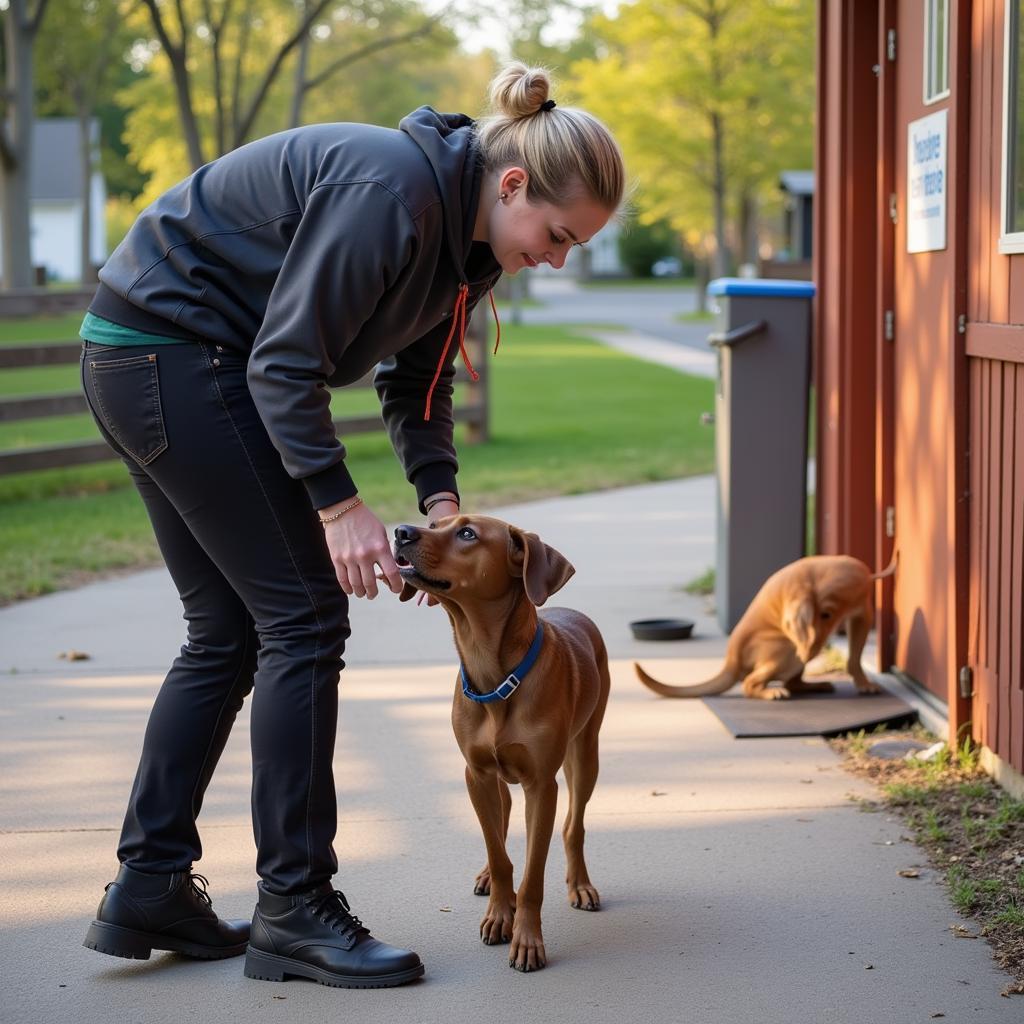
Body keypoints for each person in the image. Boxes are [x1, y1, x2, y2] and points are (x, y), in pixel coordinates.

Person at [79, 61, 624, 989]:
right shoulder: (393, 192)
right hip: (175, 353)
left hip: (146, 360)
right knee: (304, 618)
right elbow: (283, 362)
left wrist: (441, 504)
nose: (558, 257)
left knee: (225, 633)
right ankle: (295, 906)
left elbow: (417, 384)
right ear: (513, 184)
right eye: (558, 234)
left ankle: (150, 885)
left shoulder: (463, 246)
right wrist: (339, 505)